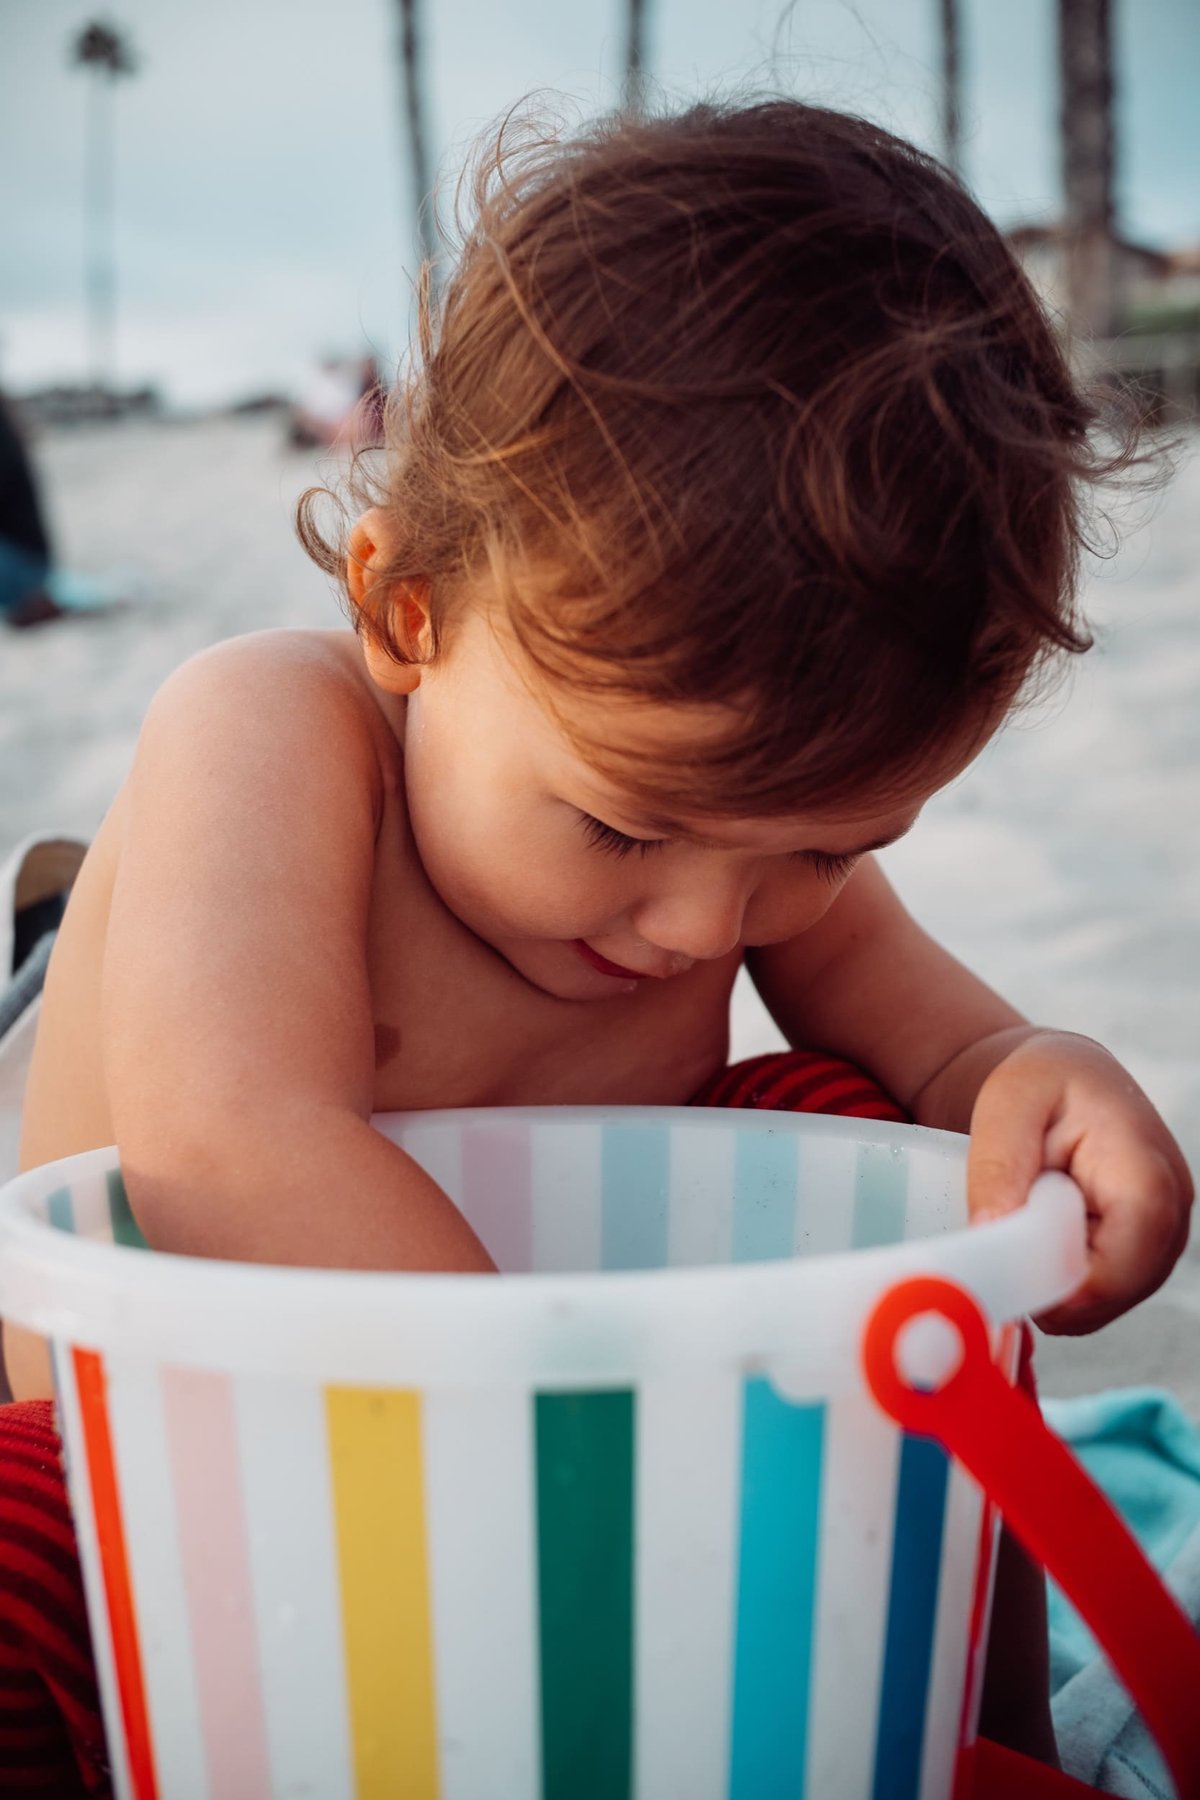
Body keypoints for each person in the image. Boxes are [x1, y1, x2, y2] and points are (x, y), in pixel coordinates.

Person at [1, 97, 1194, 1786]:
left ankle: (959, 1740)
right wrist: (565, 1448)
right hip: (200, 1464)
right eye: (624, 827)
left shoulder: (736, 843)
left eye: (831, 848)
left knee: (863, 1147)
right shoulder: (271, 731)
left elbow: (958, 1060)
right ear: (408, 610)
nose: (710, 923)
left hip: (630, 1443)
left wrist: (1046, 1097)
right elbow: (226, 1151)